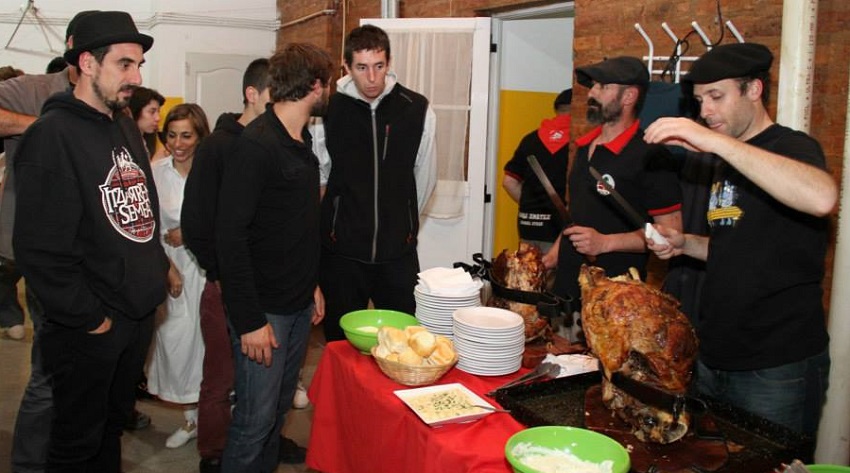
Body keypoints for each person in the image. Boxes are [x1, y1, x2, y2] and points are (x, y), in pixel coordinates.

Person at [644, 43, 836, 446]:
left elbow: (821, 198)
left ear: (754, 90)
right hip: (716, 354)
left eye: (717, 96)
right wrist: (686, 244)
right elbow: (737, 247)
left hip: (776, 364)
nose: (706, 111)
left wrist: (714, 144)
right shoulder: (726, 161)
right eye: (699, 101)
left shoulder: (790, 147)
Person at [12, 10, 168, 472]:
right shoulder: (51, 135)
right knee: (75, 443)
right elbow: (40, 249)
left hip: (135, 315)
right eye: (124, 64)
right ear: (87, 62)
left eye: (139, 65)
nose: (136, 77)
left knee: (109, 430)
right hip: (90, 325)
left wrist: (153, 278)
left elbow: (138, 208)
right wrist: (91, 320)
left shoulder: (121, 124)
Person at [215, 42, 331, 473]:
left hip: (297, 305)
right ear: (316, 86)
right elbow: (230, 238)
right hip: (264, 313)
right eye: (329, 82)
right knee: (253, 421)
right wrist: (249, 321)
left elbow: (293, 229)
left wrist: (312, 284)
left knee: (277, 413)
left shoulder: (300, 142)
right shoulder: (256, 145)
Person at [315, 24, 437, 342]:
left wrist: (406, 224)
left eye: (379, 66)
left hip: (398, 254)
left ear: (389, 62)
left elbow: (425, 176)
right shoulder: (327, 111)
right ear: (347, 67)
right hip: (341, 253)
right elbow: (321, 178)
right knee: (340, 345)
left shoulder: (417, 108)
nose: (372, 78)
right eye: (362, 68)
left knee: (405, 343)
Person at [545, 56, 683, 309]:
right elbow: (578, 214)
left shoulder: (651, 156)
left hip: (615, 298)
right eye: (593, 86)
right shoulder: (584, 146)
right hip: (566, 289)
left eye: (603, 87)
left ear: (629, 96)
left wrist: (605, 243)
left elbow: (671, 235)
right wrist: (556, 251)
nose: (592, 94)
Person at [147, 103, 211, 449]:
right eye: (171, 135)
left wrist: (190, 231)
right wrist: (167, 268)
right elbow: (147, 227)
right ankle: (190, 417)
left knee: (208, 342)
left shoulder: (213, 169)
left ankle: (212, 415)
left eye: (186, 135)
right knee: (175, 341)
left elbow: (226, 218)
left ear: (200, 136)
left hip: (207, 266)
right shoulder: (157, 172)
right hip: (172, 266)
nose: (178, 143)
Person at [503, 88, 572, 253]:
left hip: (528, 224)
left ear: (557, 110)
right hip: (559, 228)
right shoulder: (581, 142)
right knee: (556, 277)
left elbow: (509, 182)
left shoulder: (530, 139)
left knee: (528, 273)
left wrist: (531, 206)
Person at [128, 86, 165, 159]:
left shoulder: (145, 141)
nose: (158, 118)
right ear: (135, 111)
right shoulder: (126, 143)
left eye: (158, 112)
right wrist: (156, 161)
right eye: (152, 112)